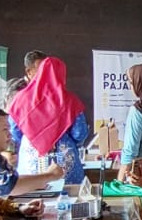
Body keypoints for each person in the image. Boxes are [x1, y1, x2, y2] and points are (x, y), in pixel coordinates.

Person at [7, 56, 88, 187]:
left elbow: (14, 131)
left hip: (31, 159)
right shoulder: (70, 100)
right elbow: (80, 133)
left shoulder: (20, 98)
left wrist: (31, 139)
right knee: (69, 195)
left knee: (30, 194)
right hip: (64, 159)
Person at [0, 104, 63, 197]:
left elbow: (14, 180)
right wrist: (50, 175)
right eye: (5, 129)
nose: (10, 135)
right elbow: (9, 185)